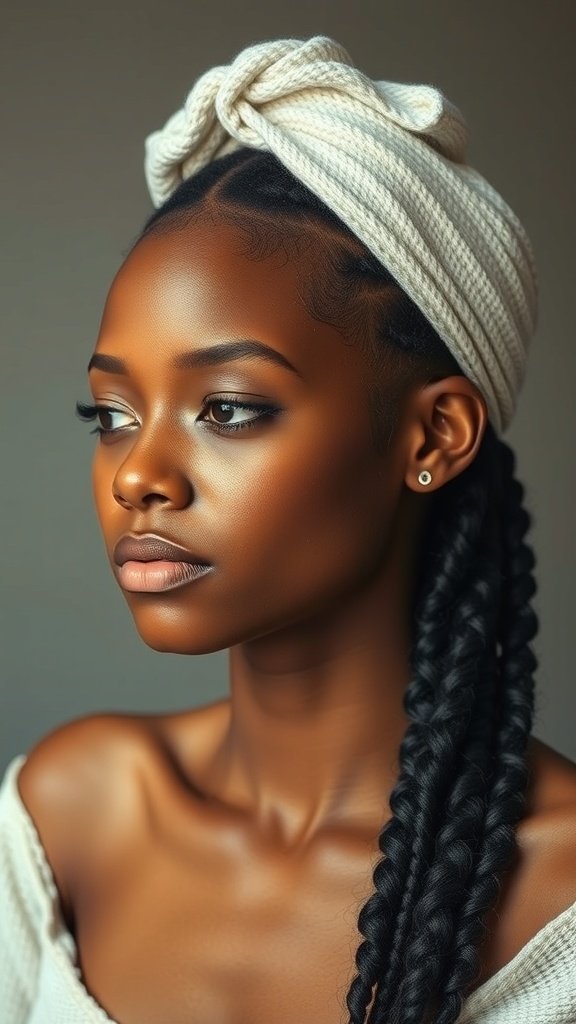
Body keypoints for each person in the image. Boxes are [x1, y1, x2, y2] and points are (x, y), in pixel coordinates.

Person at [1, 34, 575, 1024]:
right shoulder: (64, 814)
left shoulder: (557, 899)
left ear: (433, 433)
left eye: (227, 407)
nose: (138, 473)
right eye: (114, 414)